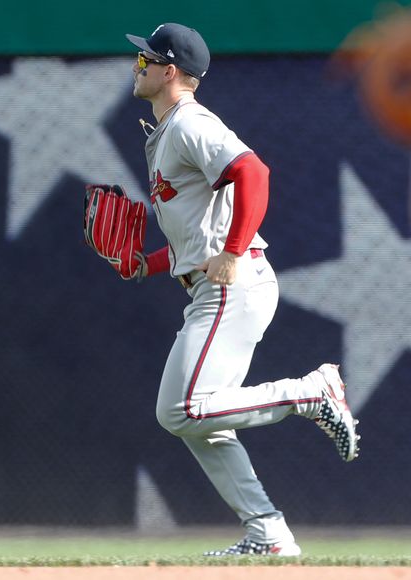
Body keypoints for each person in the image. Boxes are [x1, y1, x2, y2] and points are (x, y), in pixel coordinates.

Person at [124, 23, 360, 556]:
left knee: (181, 409)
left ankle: (309, 392)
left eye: (145, 60)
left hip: (236, 283)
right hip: (218, 283)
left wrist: (231, 253)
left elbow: (253, 173)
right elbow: (197, 235)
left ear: (169, 72)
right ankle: (268, 533)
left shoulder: (189, 122)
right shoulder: (166, 131)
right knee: (203, 421)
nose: (136, 66)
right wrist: (149, 264)